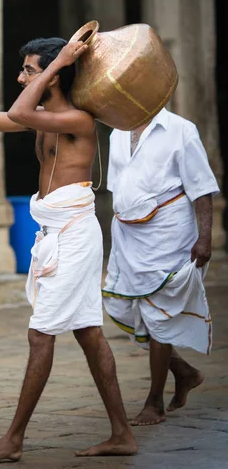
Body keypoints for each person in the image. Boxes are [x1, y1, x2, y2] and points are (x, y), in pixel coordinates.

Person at [0, 40, 137, 460]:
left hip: (73, 234)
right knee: (88, 333)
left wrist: (60, 66)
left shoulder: (77, 120)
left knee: (40, 335)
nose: (21, 77)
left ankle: (13, 440)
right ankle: (122, 433)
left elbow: (17, 111)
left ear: (55, 75)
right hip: (58, 231)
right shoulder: (45, 119)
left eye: (29, 71)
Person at [103, 108, 219, 426]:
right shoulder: (117, 130)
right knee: (121, 305)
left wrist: (205, 238)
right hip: (128, 236)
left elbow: (202, 188)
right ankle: (183, 371)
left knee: (159, 316)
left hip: (170, 234)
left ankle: (154, 402)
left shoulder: (181, 129)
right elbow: (120, 188)